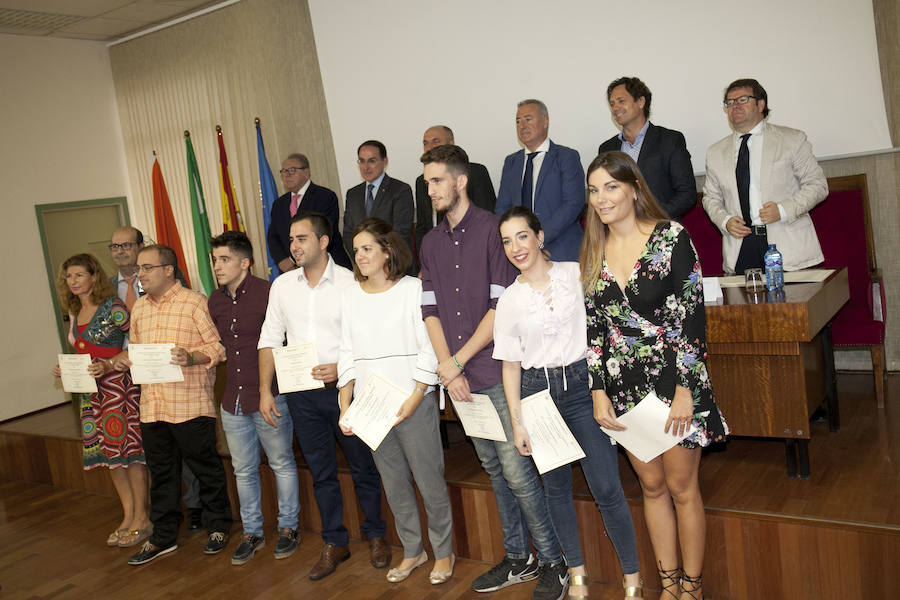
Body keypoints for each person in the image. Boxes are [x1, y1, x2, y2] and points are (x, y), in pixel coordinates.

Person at [419, 144, 565, 600]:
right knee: (493, 471)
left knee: (519, 473)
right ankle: (518, 558)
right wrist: (448, 368)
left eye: (437, 180)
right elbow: (430, 310)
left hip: (494, 371)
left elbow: (500, 307)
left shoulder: (493, 231)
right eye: (427, 183)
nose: (430, 190)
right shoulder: (429, 242)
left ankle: (555, 562)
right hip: (458, 378)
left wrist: (458, 362)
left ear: (460, 181)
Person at [582, 152, 728, 600]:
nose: (601, 198)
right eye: (594, 189)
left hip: (675, 382)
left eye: (610, 186)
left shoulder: (671, 237)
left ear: (633, 188)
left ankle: (693, 587)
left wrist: (686, 390)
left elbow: (692, 318)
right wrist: (598, 391)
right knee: (651, 486)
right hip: (625, 390)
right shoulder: (592, 250)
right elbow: (594, 331)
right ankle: (667, 586)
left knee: (683, 488)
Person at [494, 206, 643, 600]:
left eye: (522, 236)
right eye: (507, 241)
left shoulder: (576, 275)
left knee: (607, 487)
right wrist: (517, 422)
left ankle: (632, 578)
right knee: (555, 490)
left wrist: (605, 388)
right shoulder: (509, 300)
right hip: (537, 396)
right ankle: (576, 573)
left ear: (540, 236)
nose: (515, 247)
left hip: (584, 389)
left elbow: (606, 332)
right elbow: (510, 368)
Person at [258, 211, 390, 580]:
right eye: (291, 239)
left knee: (363, 467)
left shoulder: (352, 283)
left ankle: (376, 535)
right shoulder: (282, 286)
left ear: (323, 241)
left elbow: (367, 340)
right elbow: (269, 339)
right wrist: (264, 392)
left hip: (345, 391)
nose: (294, 245)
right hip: (301, 394)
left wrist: (340, 367)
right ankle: (335, 541)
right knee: (321, 472)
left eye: (301, 238)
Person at [338, 218, 454, 585]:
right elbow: (346, 353)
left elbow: (430, 347)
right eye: (356, 250)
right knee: (394, 483)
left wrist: (417, 394)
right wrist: (346, 405)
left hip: (412, 400)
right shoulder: (351, 295)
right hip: (372, 407)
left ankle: (444, 552)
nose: (360, 256)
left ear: (388, 250)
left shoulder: (413, 289)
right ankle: (413, 550)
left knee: (429, 480)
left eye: (367, 248)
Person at [112, 244, 232, 566]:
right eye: (139, 268)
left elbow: (217, 348)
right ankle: (164, 536)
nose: (141, 274)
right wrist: (125, 359)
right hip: (153, 406)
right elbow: (136, 351)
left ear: (168, 270)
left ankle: (218, 525)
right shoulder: (139, 309)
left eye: (148, 267)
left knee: (205, 469)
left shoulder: (194, 303)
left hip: (190, 404)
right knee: (162, 475)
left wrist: (191, 356)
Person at [208, 231, 301, 565]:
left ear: (244, 262)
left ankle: (289, 528)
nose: (217, 266)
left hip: (270, 396)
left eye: (224, 259)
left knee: (281, 463)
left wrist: (273, 389)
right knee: (243, 469)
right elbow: (220, 346)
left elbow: (285, 343)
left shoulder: (269, 293)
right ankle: (252, 533)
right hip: (232, 399)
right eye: (215, 259)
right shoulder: (214, 300)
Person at [52, 253, 149, 549]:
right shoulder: (73, 310)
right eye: (69, 276)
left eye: (80, 275)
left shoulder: (113, 307)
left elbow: (139, 338)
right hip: (90, 394)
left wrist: (112, 361)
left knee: (129, 453)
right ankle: (127, 515)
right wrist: (66, 368)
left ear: (95, 276)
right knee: (110, 457)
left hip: (118, 388)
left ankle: (143, 518)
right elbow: (83, 349)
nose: (74, 282)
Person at [109, 226, 202, 532]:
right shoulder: (108, 288)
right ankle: (153, 514)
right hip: (131, 379)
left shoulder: (166, 284)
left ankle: (194, 505)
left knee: (183, 448)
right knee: (153, 452)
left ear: (140, 246)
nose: (120, 251)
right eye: (114, 246)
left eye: (126, 245)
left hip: (173, 381)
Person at [701, 78, 828, 274]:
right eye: (730, 102)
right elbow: (710, 198)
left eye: (743, 100)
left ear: (761, 104)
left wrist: (783, 210)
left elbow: (818, 185)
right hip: (741, 245)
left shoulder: (792, 140)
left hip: (786, 242)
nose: (735, 106)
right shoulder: (715, 152)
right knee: (744, 304)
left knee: (791, 305)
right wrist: (725, 221)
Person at [495, 99, 585, 262]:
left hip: (561, 250)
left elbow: (573, 204)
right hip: (520, 254)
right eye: (518, 121)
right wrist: (520, 242)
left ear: (545, 121)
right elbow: (503, 207)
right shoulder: (511, 162)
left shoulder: (566, 157)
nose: (522, 125)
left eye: (528, 119)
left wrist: (538, 239)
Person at [598, 76, 696, 221]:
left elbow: (687, 194)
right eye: (612, 104)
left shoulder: (670, 140)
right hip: (622, 234)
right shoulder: (607, 148)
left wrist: (652, 218)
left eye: (621, 101)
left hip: (662, 229)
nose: (615, 108)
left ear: (641, 102)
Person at [414, 125, 496, 265]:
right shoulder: (421, 181)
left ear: (451, 143)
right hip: (435, 254)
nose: (430, 147)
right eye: (425, 143)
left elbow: (486, 215)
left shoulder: (476, 172)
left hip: (473, 253)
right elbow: (422, 226)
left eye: (435, 141)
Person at [266, 153, 351, 273]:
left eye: (292, 170)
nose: (287, 175)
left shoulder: (325, 196)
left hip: (327, 267)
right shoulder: (279, 204)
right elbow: (273, 237)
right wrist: (282, 261)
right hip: (291, 272)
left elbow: (325, 231)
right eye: (284, 171)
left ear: (306, 172)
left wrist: (293, 259)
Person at [342, 140, 414, 264]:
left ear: (385, 161)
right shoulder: (353, 194)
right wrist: (362, 257)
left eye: (372, 161)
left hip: (394, 264)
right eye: (362, 161)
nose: (366, 167)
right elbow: (348, 233)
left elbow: (401, 233)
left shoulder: (400, 190)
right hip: (364, 266)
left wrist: (380, 259)